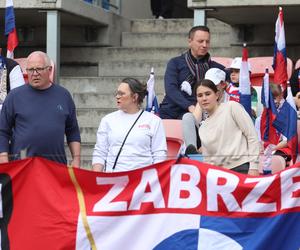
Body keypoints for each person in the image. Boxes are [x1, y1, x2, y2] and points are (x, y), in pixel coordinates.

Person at [0, 51, 81, 166]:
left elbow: (72, 131)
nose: (35, 73)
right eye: (31, 70)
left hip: (56, 167)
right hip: (23, 167)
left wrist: (76, 159)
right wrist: (3, 158)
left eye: (39, 69)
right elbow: (2, 131)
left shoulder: (63, 95)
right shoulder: (14, 96)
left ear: (49, 70)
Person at [92, 77, 167, 172]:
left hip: (142, 181)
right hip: (113, 180)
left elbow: (159, 154)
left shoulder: (154, 121)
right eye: (117, 93)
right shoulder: (107, 120)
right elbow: (100, 152)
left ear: (135, 97)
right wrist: (95, 179)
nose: (117, 96)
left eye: (122, 94)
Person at [159, 25, 226, 119]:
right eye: (200, 41)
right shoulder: (175, 63)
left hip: (199, 113)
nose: (204, 45)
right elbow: (171, 89)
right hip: (172, 111)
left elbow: (232, 74)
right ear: (190, 42)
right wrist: (189, 106)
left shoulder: (213, 67)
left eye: (207, 41)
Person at [196, 79, 260, 175]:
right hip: (219, 176)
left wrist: (254, 167)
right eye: (200, 95)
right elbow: (208, 160)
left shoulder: (232, 107)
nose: (204, 98)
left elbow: (252, 136)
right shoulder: (202, 128)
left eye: (208, 94)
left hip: (242, 168)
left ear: (217, 95)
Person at [182, 68, 226, 150]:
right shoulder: (204, 99)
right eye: (208, 84)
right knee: (187, 117)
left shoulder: (231, 101)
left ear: (223, 84)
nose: (210, 87)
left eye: (213, 85)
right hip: (204, 137)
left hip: (223, 140)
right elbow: (195, 122)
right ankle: (192, 152)